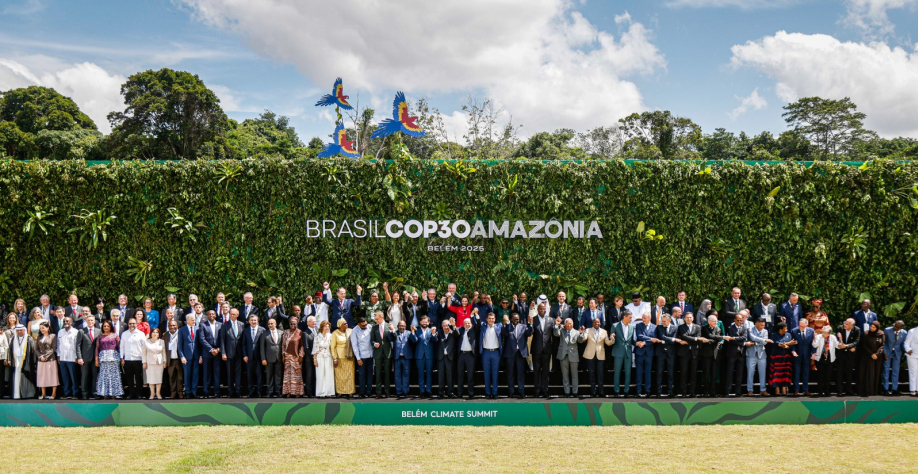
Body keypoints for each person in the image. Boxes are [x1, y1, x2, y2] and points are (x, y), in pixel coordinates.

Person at [502, 313, 532, 399]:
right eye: (515, 319)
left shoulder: (523, 326)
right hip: (510, 353)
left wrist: (530, 323)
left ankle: (521, 392)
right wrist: (507, 323)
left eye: (518, 319)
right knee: (510, 373)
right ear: (511, 319)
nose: (516, 321)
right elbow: (504, 333)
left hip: (520, 353)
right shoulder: (508, 326)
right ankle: (511, 392)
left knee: (520, 373)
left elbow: (529, 333)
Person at [582, 316, 613, 398]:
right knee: (591, 373)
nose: (597, 323)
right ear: (592, 323)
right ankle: (593, 391)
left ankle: (601, 391)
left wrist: (612, 339)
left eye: (598, 322)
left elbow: (608, 343)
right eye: (595, 322)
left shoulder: (604, 331)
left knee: (600, 373)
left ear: (600, 323)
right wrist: (582, 333)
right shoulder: (588, 330)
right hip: (590, 354)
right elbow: (584, 339)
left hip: (600, 354)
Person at [217, 307, 244, 398]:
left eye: (233, 314)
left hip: (239, 353)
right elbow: (222, 340)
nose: (232, 315)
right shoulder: (225, 325)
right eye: (231, 314)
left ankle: (238, 391)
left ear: (237, 315)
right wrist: (223, 353)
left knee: (238, 373)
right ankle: (230, 391)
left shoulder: (241, 324)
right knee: (229, 373)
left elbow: (243, 340)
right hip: (229, 353)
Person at [555, 317, 585, 398]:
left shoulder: (576, 332)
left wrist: (581, 333)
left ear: (573, 324)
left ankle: (575, 392)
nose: (569, 325)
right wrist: (556, 325)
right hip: (563, 355)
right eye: (567, 323)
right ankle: (567, 392)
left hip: (573, 355)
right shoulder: (562, 331)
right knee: (565, 375)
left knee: (575, 375)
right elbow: (556, 334)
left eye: (570, 323)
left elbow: (580, 341)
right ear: (565, 324)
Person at [529, 302, 553, 399]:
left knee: (546, 372)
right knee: (536, 372)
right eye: (540, 309)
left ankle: (545, 390)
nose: (542, 310)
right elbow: (530, 332)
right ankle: (537, 391)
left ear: (545, 310)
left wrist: (557, 326)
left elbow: (554, 332)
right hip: (536, 350)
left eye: (543, 309)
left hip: (547, 350)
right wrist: (530, 324)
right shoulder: (533, 319)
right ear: (537, 310)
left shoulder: (550, 320)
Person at [676, 313, 702, 397]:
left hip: (694, 353)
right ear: (684, 318)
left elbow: (698, 338)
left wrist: (691, 339)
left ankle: (692, 391)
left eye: (690, 317)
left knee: (693, 373)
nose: (689, 319)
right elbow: (683, 336)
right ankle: (683, 392)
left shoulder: (697, 327)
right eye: (687, 317)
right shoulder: (681, 327)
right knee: (683, 372)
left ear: (693, 318)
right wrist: (694, 338)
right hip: (684, 353)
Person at [94, 320, 122, 399]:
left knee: (114, 376)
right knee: (104, 375)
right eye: (104, 326)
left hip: (113, 357)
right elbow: (97, 348)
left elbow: (119, 347)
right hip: (103, 358)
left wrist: (121, 358)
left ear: (111, 327)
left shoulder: (115, 336)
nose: (106, 327)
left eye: (108, 326)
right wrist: (96, 359)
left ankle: (115, 393)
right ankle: (104, 393)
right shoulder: (100, 336)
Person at [8, 325, 37, 399]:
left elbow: (33, 351)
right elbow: (10, 350)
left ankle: (28, 394)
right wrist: (10, 360)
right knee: (16, 377)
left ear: (24, 330)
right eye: (18, 330)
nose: (19, 332)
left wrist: (33, 362)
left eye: (21, 330)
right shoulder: (14, 338)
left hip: (26, 361)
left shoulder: (29, 339)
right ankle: (17, 394)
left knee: (26, 376)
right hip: (16, 361)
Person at [744, 317, 771, 396]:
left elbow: (765, 343)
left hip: (762, 354)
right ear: (756, 324)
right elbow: (752, 337)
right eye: (761, 325)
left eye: (763, 325)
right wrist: (764, 340)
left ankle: (763, 390)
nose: (762, 327)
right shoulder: (750, 330)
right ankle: (750, 390)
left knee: (762, 373)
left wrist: (755, 343)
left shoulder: (765, 331)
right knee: (750, 373)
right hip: (751, 354)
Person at [56, 316, 81, 399]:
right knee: (65, 377)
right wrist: (58, 355)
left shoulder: (75, 332)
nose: (65, 323)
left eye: (67, 321)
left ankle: (75, 393)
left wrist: (77, 357)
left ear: (71, 322)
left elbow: (78, 345)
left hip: (72, 358)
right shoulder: (60, 332)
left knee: (73, 377)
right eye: (64, 321)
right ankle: (67, 393)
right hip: (62, 357)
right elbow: (58, 344)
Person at [198, 310, 222, 398]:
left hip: (217, 353)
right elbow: (202, 339)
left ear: (215, 315)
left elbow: (222, 339)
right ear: (207, 316)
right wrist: (211, 349)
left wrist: (218, 349)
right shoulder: (203, 325)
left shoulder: (220, 324)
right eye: (209, 314)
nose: (211, 315)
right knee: (206, 373)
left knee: (217, 373)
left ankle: (217, 392)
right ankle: (206, 391)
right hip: (207, 353)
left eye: (213, 314)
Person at [858, 320, 885, 397]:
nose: (871, 328)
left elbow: (882, 345)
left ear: (877, 328)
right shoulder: (866, 333)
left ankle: (874, 390)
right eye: (871, 326)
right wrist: (871, 354)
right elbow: (864, 345)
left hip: (877, 358)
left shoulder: (881, 334)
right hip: (867, 357)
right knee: (867, 373)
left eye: (874, 327)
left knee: (876, 373)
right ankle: (866, 390)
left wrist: (877, 354)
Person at [479, 312, 503, 399]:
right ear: (486, 319)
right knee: (486, 373)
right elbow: (476, 322)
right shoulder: (483, 326)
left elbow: (506, 330)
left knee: (495, 373)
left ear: (495, 319)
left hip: (496, 352)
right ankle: (488, 393)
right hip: (486, 352)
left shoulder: (499, 326)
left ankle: (495, 392)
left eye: (492, 318)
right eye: (489, 318)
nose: (491, 320)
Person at [410, 315, 435, 398]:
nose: (424, 323)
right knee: (420, 374)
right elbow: (414, 341)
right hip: (419, 356)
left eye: (426, 322)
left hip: (429, 355)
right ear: (420, 322)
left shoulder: (431, 330)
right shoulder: (417, 331)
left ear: (428, 322)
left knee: (429, 373)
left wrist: (433, 334)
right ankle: (421, 391)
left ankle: (428, 390)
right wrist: (413, 332)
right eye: (423, 321)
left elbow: (435, 340)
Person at [329, 318, 355, 398]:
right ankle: (340, 392)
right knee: (340, 375)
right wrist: (335, 358)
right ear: (340, 325)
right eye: (344, 324)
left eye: (346, 323)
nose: (346, 325)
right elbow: (332, 347)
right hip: (339, 357)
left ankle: (350, 391)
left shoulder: (350, 331)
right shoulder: (335, 333)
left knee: (350, 375)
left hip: (349, 356)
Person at [120, 318, 145, 399]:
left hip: (138, 358)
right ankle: (131, 393)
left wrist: (144, 359)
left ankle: (138, 393)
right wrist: (122, 357)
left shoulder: (141, 334)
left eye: (133, 323)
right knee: (129, 377)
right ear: (128, 324)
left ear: (136, 324)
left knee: (138, 377)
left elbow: (144, 347)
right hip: (127, 359)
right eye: (130, 323)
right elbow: (122, 346)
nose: (132, 325)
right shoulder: (124, 334)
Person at [350, 316, 374, 399]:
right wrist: (358, 358)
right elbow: (355, 345)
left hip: (370, 355)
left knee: (370, 374)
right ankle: (362, 392)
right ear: (358, 324)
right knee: (361, 374)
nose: (365, 326)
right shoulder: (354, 331)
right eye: (363, 325)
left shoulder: (370, 327)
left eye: (365, 324)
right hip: (361, 356)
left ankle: (369, 392)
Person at [610, 311, 633, 398]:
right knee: (617, 372)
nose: (631, 319)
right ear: (624, 317)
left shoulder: (632, 327)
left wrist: (638, 343)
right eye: (630, 317)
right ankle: (616, 391)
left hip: (628, 353)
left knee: (628, 373)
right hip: (618, 352)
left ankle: (626, 391)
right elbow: (611, 339)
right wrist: (612, 338)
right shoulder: (615, 326)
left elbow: (632, 341)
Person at [724, 313, 748, 397]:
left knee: (739, 373)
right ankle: (727, 391)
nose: (739, 322)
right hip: (732, 353)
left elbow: (744, 337)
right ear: (734, 320)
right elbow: (731, 341)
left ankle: (738, 391)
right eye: (738, 320)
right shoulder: (730, 328)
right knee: (729, 372)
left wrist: (734, 338)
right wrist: (742, 343)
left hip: (740, 353)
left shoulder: (744, 327)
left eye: (741, 320)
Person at [370, 311, 392, 398]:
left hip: (387, 352)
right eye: (375, 319)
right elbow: (371, 340)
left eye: (377, 319)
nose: (375, 321)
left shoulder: (389, 326)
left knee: (387, 373)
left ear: (382, 317)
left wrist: (392, 330)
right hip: (378, 353)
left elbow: (394, 338)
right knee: (378, 373)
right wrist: (374, 344)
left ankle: (387, 391)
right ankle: (378, 392)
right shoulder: (374, 327)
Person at [281, 315, 305, 397]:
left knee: (296, 375)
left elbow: (302, 346)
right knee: (288, 375)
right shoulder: (285, 332)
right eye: (291, 324)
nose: (292, 325)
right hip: (287, 357)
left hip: (296, 357)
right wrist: (283, 355)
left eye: (294, 324)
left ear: (297, 324)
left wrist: (301, 356)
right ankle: (288, 392)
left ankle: (297, 392)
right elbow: (283, 345)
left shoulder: (300, 332)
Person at [836, 318, 861, 396]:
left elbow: (857, 341)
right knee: (839, 372)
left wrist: (848, 346)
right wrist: (840, 343)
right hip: (840, 353)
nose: (845, 325)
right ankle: (839, 390)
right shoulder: (840, 328)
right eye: (845, 323)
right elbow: (836, 339)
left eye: (847, 324)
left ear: (852, 326)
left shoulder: (857, 330)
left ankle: (849, 390)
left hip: (850, 354)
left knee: (849, 373)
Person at [699, 313, 723, 397]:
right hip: (706, 354)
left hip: (715, 354)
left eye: (716, 321)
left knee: (714, 373)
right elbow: (709, 335)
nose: (716, 322)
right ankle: (705, 392)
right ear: (709, 321)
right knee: (706, 373)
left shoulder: (718, 329)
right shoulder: (704, 328)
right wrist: (714, 340)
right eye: (714, 321)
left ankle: (713, 391)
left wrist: (709, 341)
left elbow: (718, 338)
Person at [769, 322, 795, 396]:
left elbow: (792, 344)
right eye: (785, 329)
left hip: (786, 357)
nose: (787, 330)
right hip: (776, 357)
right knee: (776, 373)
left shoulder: (788, 334)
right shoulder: (774, 335)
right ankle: (777, 389)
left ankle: (784, 389)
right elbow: (777, 344)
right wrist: (788, 343)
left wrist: (786, 345)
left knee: (785, 373)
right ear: (780, 330)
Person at [633, 312, 656, 398]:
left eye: (645, 318)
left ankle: (647, 391)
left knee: (648, 372)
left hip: (649, 353)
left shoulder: (655, 327)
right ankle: (638, 391)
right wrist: (651, 339)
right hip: (639, 352)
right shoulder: (639, 325)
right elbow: (639, 336)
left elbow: (655, 340)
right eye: (642, 318)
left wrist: (645, 343)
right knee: (638, 372)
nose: (643, 319)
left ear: (650, 318)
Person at [78, 313, 100, 399]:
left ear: (94, 321)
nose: (90, 322)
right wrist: (79, 357)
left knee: (95, 376)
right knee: (85, 376)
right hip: (85, 358)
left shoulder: (99, 331)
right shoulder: (81, 331)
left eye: (91, 320)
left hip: (95, 358)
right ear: (86, 321)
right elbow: (78, 345)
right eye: (88, 320)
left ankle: (94, 392)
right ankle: (85, 393)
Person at [812, 326, 838, 397]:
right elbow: (815, 345)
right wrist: (814, 338)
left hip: (829, 358)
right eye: (823, 332)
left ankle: (827, 391)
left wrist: (841, 340)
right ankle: (820, 391)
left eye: (825, 333)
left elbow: (837, 346)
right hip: (820, 358)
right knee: (820, 376)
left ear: (829, 333)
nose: (823, 334)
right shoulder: (819, 336)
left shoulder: (833, 337)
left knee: (828, 376)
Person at [790, 319, 814, 396]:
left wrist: (813, 353)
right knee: (796, 372)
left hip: (807, 355)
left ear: (806, 325)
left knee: (806, 373)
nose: (801, 327)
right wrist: (793, 351)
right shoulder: (794, 331)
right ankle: (796, 390)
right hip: (797, 355)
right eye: (800, 326)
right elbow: (792, 343)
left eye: (803, 326)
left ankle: (805, 389)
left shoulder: (811, 331)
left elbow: (813, 343)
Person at [261, 318, 284, 398]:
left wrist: (283, 356)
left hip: (279, 358)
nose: (270, 325)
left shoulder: (281, 333)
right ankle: (269, 392)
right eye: (269, 324)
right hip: (268, 358)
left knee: (278, 376)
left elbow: (283, 346)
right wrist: (263, 358)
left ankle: (278, 391)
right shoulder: (264, 333)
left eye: (272, 323)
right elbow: (262, 347)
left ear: (276, 324)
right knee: (269, 376)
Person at [242, 314, 264, 397]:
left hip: (259, 357)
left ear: (257, 321)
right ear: (249, 321)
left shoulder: (262, 330)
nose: (253, 321)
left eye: (255, 320)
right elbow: (243, 344)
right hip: (249, 357)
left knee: (259, 375)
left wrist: (263, 357)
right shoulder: (245, 330)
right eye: (252, 320)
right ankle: (250, 391)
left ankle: (259, 392)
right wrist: (245, 355)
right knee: (249, 375)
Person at [177, 314, 199, 398]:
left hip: (196, 356)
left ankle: (194, 391)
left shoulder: (197, 329)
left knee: (195, 375)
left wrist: (200, 355)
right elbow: (180, 345)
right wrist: (182, 356)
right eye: (192, 320)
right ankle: (188, 392)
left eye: (194, 320)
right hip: (186, 357)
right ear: (187, 320)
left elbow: (200, 343)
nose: (194, 321)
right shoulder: (182, 330)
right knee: (187, 375)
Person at [883, 321, 908, 395]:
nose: (895, 327)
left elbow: (903, 344)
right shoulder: (887, 330)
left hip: (897, 353)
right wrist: (885, 352)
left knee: (896, 371)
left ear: (901, 327)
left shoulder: (904, 333)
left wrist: (907, 351)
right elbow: (884, 342)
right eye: (894, 325)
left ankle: (894, 389)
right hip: (888, 352)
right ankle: (885, 389)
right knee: (886, 370)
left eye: (897, 327)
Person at [312, 320, 335, 397]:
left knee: (329, 374)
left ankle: (329, 392)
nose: (327, 328)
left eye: (328, 326)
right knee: (320, 374)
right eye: (325, 326)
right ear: (322, 327)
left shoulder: (330, 336)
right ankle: (321, 392)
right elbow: (315, 349)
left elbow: (333, 347)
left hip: (328, 356)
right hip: (320, 357)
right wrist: (315, 360)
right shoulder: (317, 337)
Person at [456, 316, 478, 398]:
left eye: (469, 323)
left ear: (471, 324)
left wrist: (474, 315)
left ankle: (471, 393)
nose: (467, 324)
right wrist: (453, 325)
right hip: (461, 355)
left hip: (470, 355)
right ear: (463, 324)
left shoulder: (474, 330)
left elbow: (478, 324)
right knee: (460, 375)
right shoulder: (461, 330)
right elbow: (455, 331)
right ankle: (459, 393)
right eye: (465, 323)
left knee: (470, 375)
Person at [142, 327, 166, 399]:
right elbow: (144, 353)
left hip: (159, 362)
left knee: (159, 378)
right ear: (151, 334)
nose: (155, 333)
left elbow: (164, 353)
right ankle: (152, 393)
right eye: (153, 332)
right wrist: (144, 362)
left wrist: (164, 361)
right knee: (151, 379)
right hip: (150, 363)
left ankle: (158, 393)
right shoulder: (146, 342)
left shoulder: (162, 341)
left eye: (157, 332)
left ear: (159, 334)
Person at [36, 321, 58, 400]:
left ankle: (53, 394)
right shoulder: (39, 337)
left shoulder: (53, 336)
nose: (42, 329)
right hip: (41, 360)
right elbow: (36, 349)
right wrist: (40, 356)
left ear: (48, 328)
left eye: (43, 328)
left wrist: (45, 356)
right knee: (42, 376)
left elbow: (53, 348)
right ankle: (43, 394)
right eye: (40, 328)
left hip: (50, 359)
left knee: (53, 376)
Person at [436, 319, 457, 398]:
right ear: (442, 326)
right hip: (441, 357)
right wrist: (433, 333)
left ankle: (450, 392)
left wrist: (453, 326)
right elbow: (434, 339)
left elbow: (458, 334)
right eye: (444, 325)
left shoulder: (453, 333)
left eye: (447, 325)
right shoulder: (439, 333)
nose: (446, 327)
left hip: (450, 357)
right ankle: (441, 392)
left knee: (450, 375)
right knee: (440, 375)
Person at [392, 320, 413, 399]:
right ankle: (398, 392)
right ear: (397, 326)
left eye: (403, 326)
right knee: (397, 376)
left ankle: (405, 391)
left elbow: (414, 340)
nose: (402, 327)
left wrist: (413, 332)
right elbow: (389, 338)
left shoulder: (409, 333)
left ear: (406, 326)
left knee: (406, 375)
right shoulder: (394, 333)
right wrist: (392, 330)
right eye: (400, 325)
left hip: (406, 357)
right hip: (397, 357)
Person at [163, 320, 183, 399]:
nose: (172, 327)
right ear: (168, 326)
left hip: (179, 359)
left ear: (177, 326)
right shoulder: (165, 335)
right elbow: (163, 348)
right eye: (171, 325)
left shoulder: (181, 333)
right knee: (171, 377)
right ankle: (173, 392)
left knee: (180, 377)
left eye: (174, 325)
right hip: (170, 359)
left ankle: (180, 392)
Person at [905, 324, 918, 396]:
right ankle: (913, 389)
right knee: (913, 372)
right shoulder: (912, 331)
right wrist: (908, 349)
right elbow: (906, 342)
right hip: (912, 355)